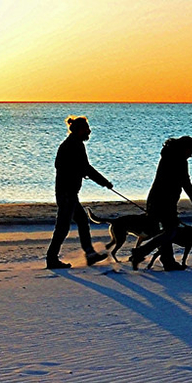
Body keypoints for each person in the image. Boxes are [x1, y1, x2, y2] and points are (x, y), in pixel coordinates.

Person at [132, 135, 192, 270]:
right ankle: (141, 252)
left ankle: (167, 261)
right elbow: (186, 183)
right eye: (191, 152)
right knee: (170, 231)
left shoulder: (167, 155)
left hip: (156, 198)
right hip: (165, 201)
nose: (191, 156)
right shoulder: (179, 160)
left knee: (166, 230)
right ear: (185, 148)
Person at [46, 115, 111, 269]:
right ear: (80, 130)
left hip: (68, 193)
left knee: (81, 220)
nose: (89, 131)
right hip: (66, 193)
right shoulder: (73, 145)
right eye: (87, 128)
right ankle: (52, 258)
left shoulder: (72, 144)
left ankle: (89, 254)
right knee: (63, 227)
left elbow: (75, 166)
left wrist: (79, 171)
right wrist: (104, 182)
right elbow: (84, 167)